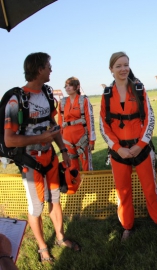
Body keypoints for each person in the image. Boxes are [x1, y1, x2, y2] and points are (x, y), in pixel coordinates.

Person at [4, 52, 81, 263]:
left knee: (55, 200)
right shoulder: (16, 100)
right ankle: (42, 247)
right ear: (39, 69)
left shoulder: (47, 94)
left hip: (51, 158)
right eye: (48, 66)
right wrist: (40, 137)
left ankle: (60, 237)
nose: (51, 69)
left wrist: (63, 150)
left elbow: (53, 128)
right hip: (31, 162)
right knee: (36, 207)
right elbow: (9, 140)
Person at [100, 52, 157, 241]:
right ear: (111, 69)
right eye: (119, 66)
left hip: (142, 150)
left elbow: (149, 119)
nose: (123, 69)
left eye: (126, 65)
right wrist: (117, 147)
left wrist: (140, 145)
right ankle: (127, 227)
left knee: (150, 188)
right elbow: (103, 126)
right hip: (118, 153)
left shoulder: (139, 89)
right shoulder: (106, 95)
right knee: (123, 192)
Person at [58, 77, 96, 171]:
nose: (67, 88)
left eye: (70, 85)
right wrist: (60, 142)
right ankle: (75, 185)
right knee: (72, 168)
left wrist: (91, 141)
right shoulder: (62, 102)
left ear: (77, 86)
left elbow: (89, 120)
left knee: (86, 165)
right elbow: (60, 122)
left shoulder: (84, 101)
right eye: (66, 86)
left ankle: (89, 184)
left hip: (81, 139)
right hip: (67, 140)